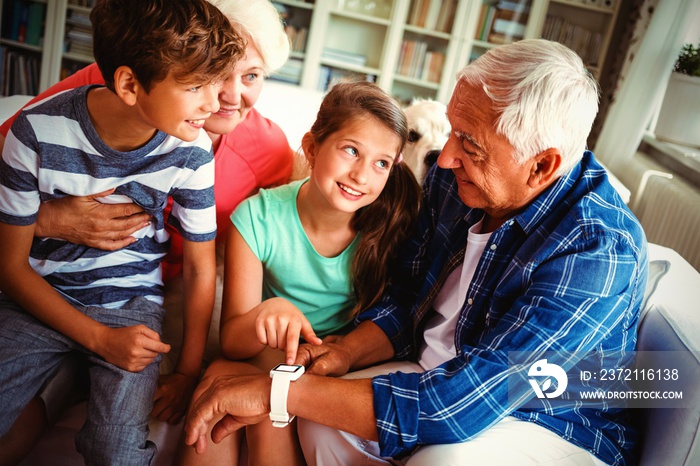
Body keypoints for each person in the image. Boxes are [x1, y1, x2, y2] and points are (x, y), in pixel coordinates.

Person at [184, 39, 649, 466]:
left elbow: (464, 403)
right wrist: (343, 353)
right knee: (320, 420)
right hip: (435, 372)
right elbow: (407, 299)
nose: (443, 158)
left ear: (541, 165)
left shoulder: (598, 249)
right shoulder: (458, 182)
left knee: (440, 463)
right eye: (452, 132)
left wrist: (275, 391)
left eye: (469, 144)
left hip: (543, 422)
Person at [0, 0, 293, 463]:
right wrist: (50, 219)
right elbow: (11, 251)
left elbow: (224, 261)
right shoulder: (76, 106)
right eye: (212, 77)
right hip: (47, 285)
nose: (225, 97)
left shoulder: (246, 150)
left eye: (252, 76)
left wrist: (188, 370)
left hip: (138, 296)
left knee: (113, 439)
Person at [179, 80, 421, 466]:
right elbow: (233, 344)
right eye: (350, 150)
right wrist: (266, 312)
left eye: (381, 163)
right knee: (220, 378)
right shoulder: (257, 217)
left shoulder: (390, 230)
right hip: (266, 358)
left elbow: (389, 326)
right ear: (311, 148)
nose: (361, 175)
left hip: (332, 369)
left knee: (266, 413)